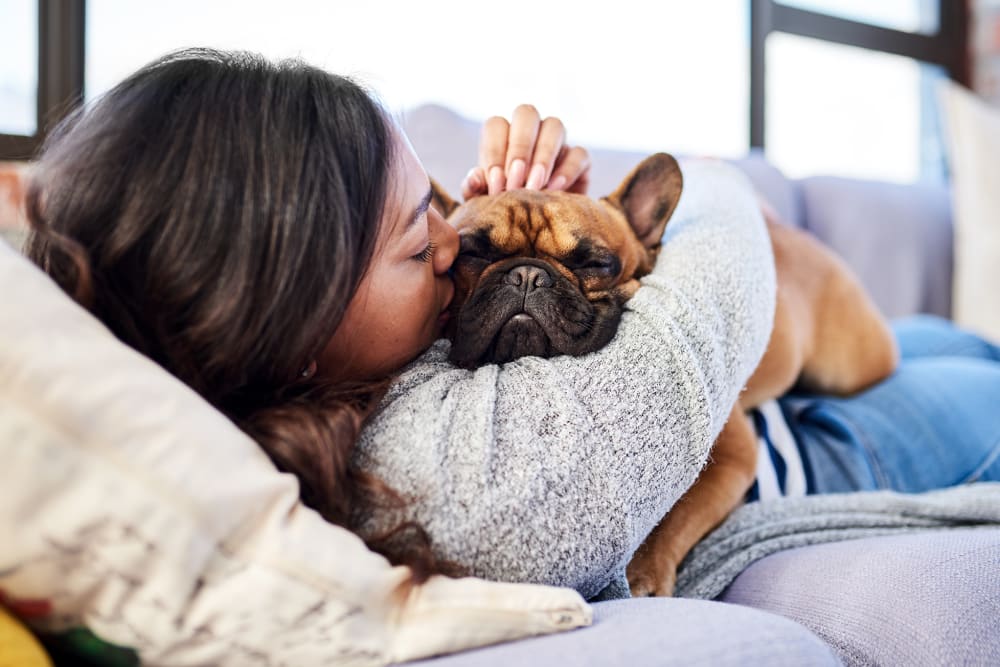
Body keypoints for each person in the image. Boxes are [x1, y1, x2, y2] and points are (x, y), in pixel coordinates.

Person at [22, 48, 999, 659]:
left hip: (788, 387)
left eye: (451, 218)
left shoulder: (308, 394)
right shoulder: (479, 474)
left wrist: (541, 217)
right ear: (297, 309)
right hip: (815, 444)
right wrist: (659, 203)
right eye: (429, 239)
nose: (453, 247)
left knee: (938, 343)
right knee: (976, 371)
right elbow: (711, 269)